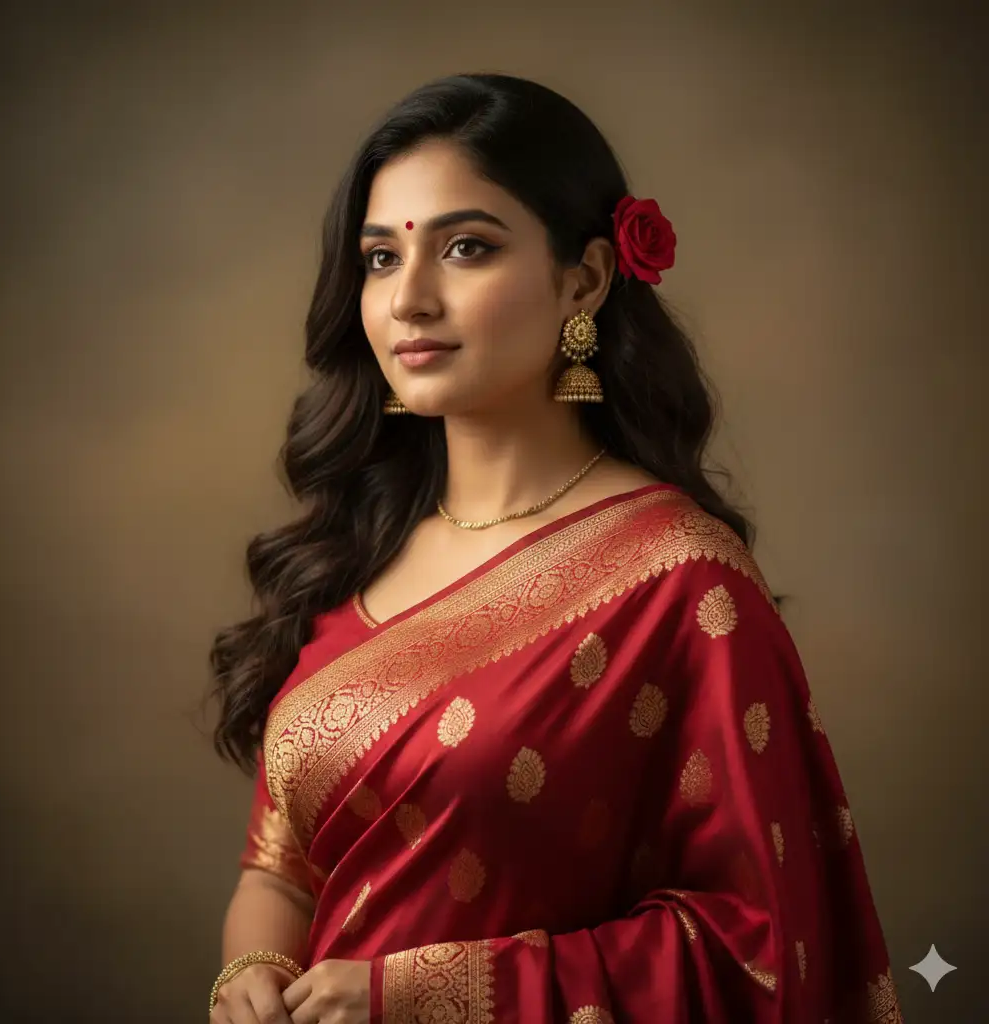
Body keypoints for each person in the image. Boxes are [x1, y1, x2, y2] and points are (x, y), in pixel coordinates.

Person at [206, 72, 902, 1024]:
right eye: (377, 259)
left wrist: (422, 996)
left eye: (465, 249)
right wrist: (247, 969)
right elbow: (280, 869)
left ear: (585, 278)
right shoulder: (354, 553)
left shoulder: (681, 583)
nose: (408, 298)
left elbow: (758, 947)